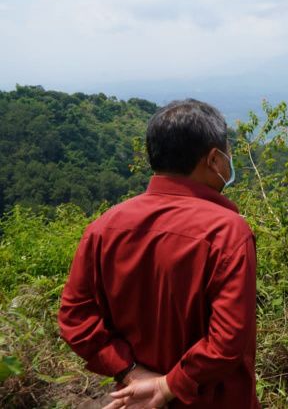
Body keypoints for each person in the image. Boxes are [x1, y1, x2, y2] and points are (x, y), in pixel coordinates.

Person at [58, 99, 259, 408]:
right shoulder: (227, 233)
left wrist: (130, 371)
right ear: (214, 159)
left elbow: (75, 316)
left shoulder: (104, 228)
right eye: (228, 152)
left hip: (134, 399)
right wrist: (168, 385)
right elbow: (228, 342)